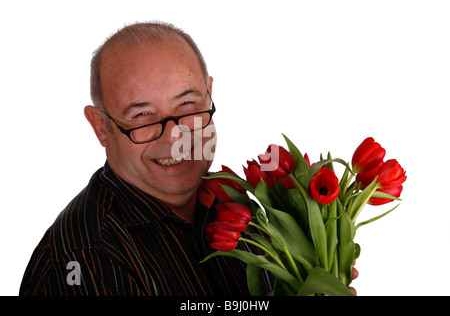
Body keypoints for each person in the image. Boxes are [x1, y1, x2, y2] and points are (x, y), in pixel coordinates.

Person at [19, 21, 357, 296]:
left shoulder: (238, 208)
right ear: (101, 127)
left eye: (187, 106)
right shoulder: (88, 257)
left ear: (210, 94)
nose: (175, 137)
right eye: (142, 116)